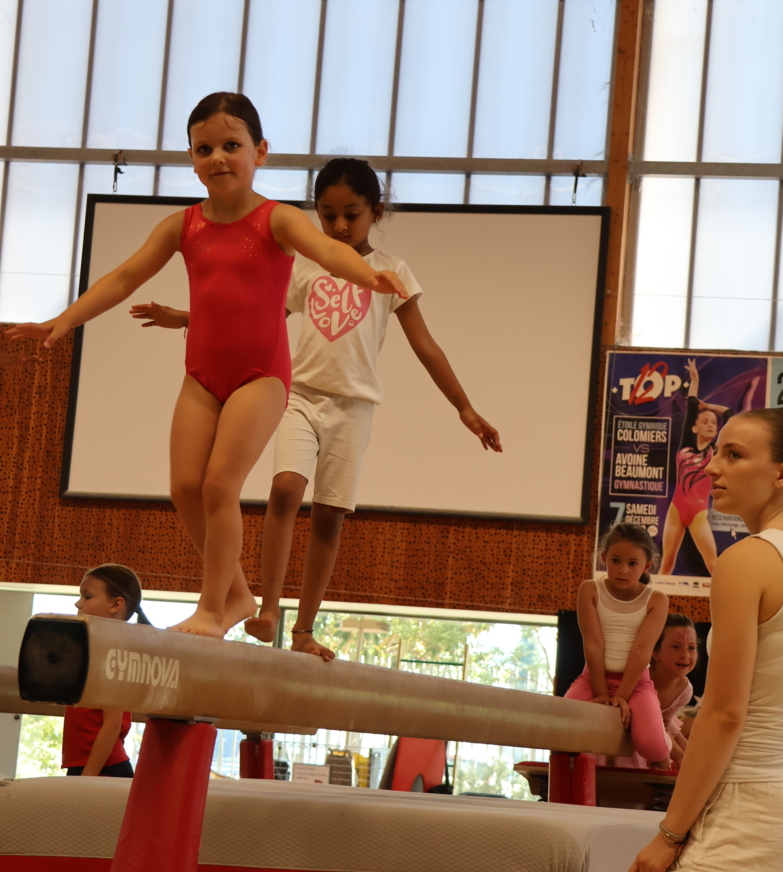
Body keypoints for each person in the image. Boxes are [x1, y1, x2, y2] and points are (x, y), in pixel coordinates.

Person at [5, 95, 407, 639]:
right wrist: (64, 320)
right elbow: (123, 278)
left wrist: (366, 275)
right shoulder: (182, 226)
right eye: (204, 148)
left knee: (220, 485)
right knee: (184, 487)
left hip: (260, 377)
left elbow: (327, 250)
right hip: (201, 377)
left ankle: (213, 609)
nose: (217, 157)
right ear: (192, 159)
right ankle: (238, 593)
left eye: (231, 145)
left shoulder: (277, 219)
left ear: (260, 152)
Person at [132, 157, 501, 661]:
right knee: (285, 489)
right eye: (328, 216)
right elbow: (248, 317)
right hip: (299, 395)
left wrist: (465, 408)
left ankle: (304, 629)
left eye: (352, 214)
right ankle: (267, 609)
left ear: (376, 211)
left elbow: (426, 345)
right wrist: (181, 318)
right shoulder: (304, 265)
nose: (340, 226)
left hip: (354, 405)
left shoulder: (391, 272)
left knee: (328, 515)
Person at [629, 408, 783, 872]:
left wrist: (670, 834)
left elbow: (725, 714)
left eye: (735, 455)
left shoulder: (747, 560)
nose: (712, 468)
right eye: (716, 452)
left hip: (751, 802)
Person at [566, 522, 671, 767]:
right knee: (560, 729)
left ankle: (665, 746)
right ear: (604, 558)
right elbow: (593, 642)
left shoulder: (656, 599)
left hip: (636, 684)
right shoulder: (590, 589)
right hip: (592, 678)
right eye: (615, 561)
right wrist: (602, 694)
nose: (623, 570)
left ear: (647, 566)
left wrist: (621, 696)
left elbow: (642, 651)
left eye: (632, 563)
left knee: (652, 747)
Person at [660, 359, 757, 576]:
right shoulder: (686, 443)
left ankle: (727, 594)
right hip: (675, 510)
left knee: (713, 564)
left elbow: (730, 415)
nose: (711, 425)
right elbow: (691, 404)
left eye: (714, 423)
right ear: (694, 428)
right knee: (667, 561)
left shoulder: (715, 451)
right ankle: (654, 597)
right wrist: (695, 379)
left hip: (698, 514)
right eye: (705, 422)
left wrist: (708, 408)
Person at [62, 564, 150, 778]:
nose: (78, 603)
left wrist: (88, 777)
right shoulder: (96, 648)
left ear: (116, 604)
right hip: (87, 764)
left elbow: (112, 724)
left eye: (87, 596)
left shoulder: (117, 652)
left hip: (103, 767)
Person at [602, 613, 698, 770]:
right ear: (655, 652)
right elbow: (634, 721)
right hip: (617, 734)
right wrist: (673, 755)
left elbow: (664, 723)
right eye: (676, 647)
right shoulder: (637, 678)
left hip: (649, 736)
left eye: (691, 648)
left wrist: (684, 752)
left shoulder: (684, 690)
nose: (685, 655)